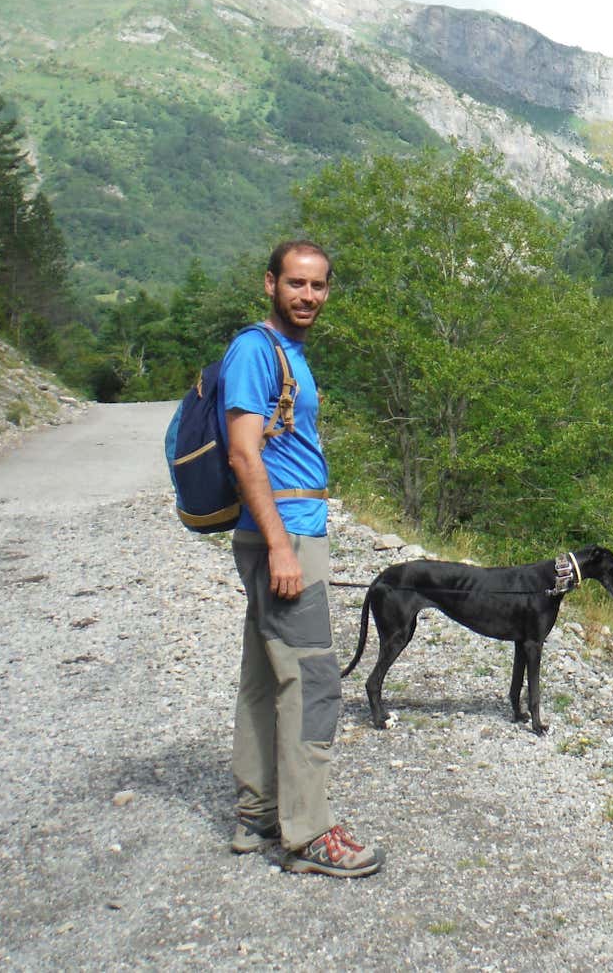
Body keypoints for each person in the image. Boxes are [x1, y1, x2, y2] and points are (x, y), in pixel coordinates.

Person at [223, 238, 382, 878]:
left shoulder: (289, 353)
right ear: (270, 283)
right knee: (314, 679)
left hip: (283, 535)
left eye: (318, 286)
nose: (308, 296)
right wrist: (284, 547)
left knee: (265, 674)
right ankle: (308, 833)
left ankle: (257, 813)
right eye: (296, 284)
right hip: (282, 539)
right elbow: (242, 454)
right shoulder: (255, 351)